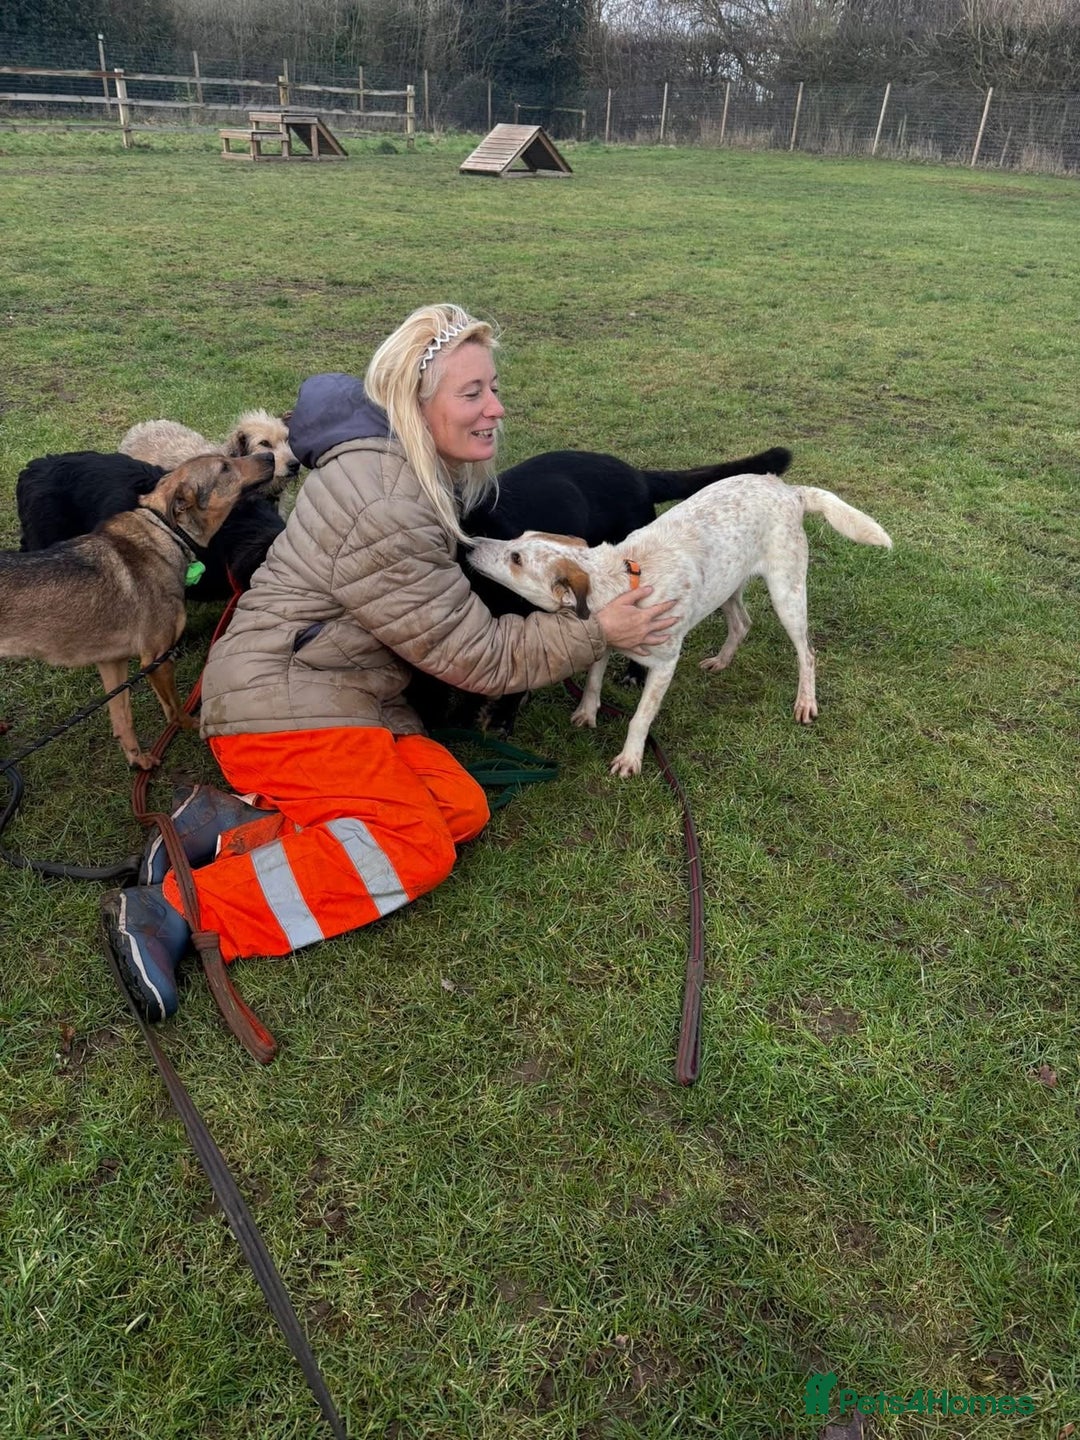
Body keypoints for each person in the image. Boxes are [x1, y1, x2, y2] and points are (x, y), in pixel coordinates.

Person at [102, 303, 679, 1022]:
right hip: (279, 707)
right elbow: (481, 657)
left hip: (340, 690)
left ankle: (220, 829)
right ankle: (177, 910)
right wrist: (601, 631)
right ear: (415, 400)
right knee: (415, 846)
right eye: (473, 393)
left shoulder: (398, 467)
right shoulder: (388, 504)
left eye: (493, 388)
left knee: (459, 809)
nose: (496, 408)